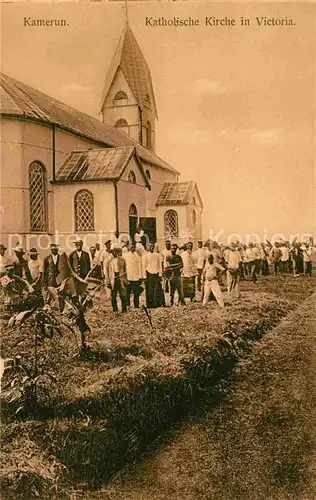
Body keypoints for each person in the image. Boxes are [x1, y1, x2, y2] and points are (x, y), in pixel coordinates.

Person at [105, 248, 128, 313]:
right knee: (113, 295)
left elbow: (125, 271)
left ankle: (124, 309)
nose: (114, 253)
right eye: (113, 252)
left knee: (123, 295)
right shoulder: (110, 262)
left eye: (116, 251)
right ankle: (115, 309)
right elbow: (108, 272)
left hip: (120, 278)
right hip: (113, 279)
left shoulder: (122, 260)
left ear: (118, 252)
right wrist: (108, 281)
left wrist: (125, 279)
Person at [142, 242, 164, 308]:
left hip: (156, 274)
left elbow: (160, 265)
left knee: (157, 289)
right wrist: (144, 276)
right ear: (148, 247)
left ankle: (157, 303)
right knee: (149, 290)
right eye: (150, 246)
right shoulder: (145, 255)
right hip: (149, 274)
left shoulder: (157, 255)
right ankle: (150, 304)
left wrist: (160, 274)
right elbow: (143, 266)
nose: (151, 247)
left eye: (152, 246)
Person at [123, 243, 143, 308]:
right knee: (127, 292)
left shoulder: (137, 256)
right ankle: (127, 304)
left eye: (133, 247)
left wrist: (140, 276)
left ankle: (136, 304)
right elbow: (123, 267)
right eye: (131, 247)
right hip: (128, 276)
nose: (132, 249)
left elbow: (140, 266)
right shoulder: (125, 256)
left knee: (136, 292)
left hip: (136, 277)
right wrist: (124, 276)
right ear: (128, 248)